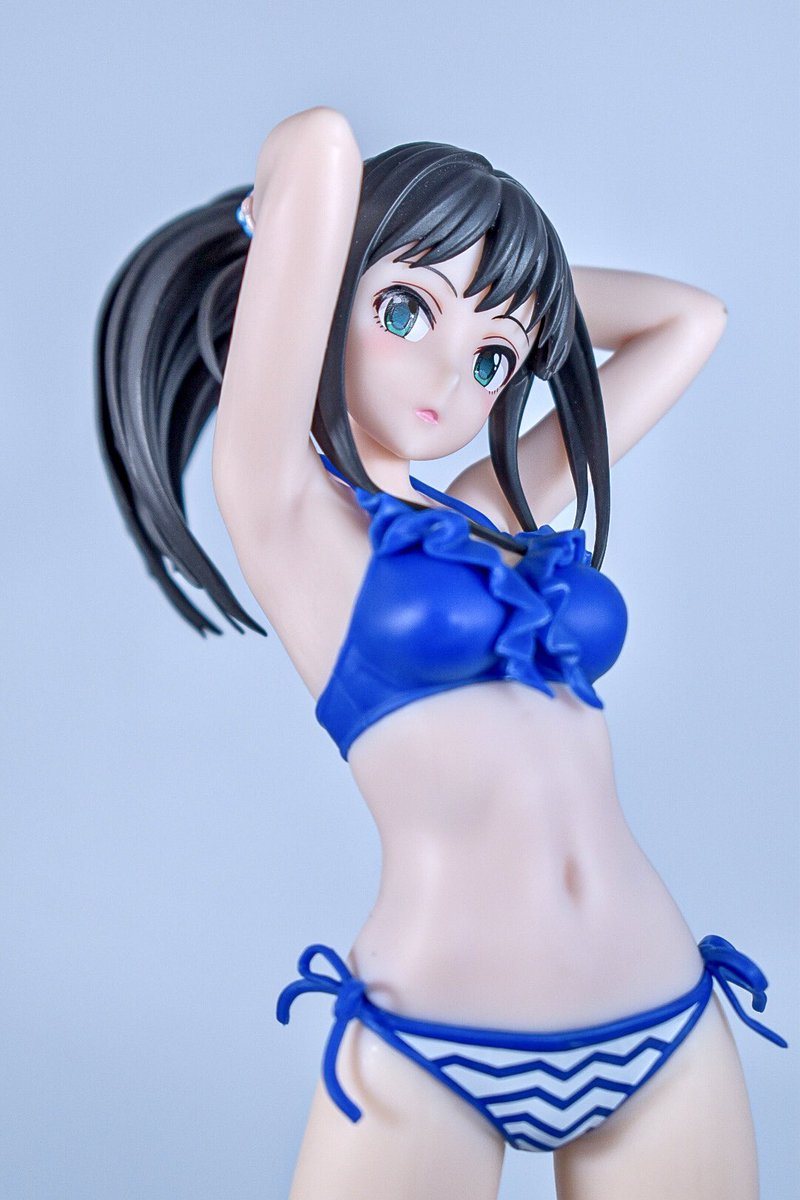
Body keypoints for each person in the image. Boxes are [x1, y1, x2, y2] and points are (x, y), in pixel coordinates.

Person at [96, 107, 785, 1199]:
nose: (448, 378)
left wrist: (504, 287)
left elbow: (685, 321)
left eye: (493, 359)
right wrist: (304, 250)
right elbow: (320, 143)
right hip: (434, 1039)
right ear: (321, 291)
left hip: (662, 1014)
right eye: (404, 311)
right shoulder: (284, 508)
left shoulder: (487, 508)